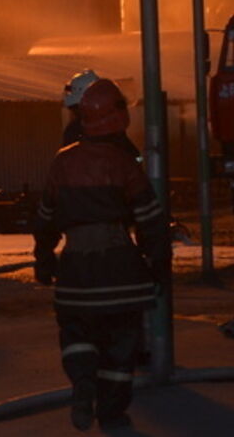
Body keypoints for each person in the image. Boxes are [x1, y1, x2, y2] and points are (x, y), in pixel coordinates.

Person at [34, 74, 170, 431]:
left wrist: (43, 257)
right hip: (122, 269)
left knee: (76, 333)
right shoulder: (125, 163)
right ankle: (111, 413)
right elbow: (150, 220)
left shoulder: (62, 162)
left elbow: (45, 217)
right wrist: (158, 263)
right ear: (117, 115)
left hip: (76, 272)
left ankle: (82, 383)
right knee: (120, 348)